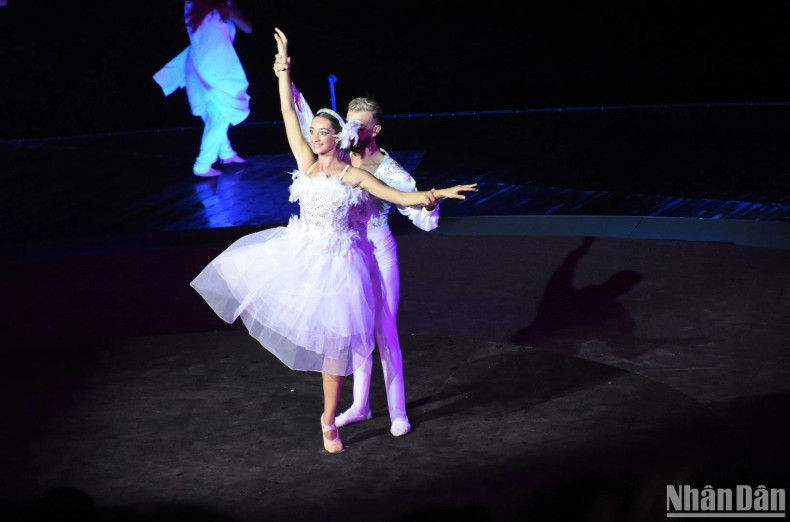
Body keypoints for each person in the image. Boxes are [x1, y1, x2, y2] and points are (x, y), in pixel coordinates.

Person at [189, 27, 476, 454]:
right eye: (315, 131)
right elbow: (289, 112)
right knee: (332, 344)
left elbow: (400, 196)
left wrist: (437, 195)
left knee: (359, 340)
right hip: (305, 255)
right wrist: (282, 70)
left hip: (351, 260)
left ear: (340, 136)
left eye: (324, 131)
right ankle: (343, 413)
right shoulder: (306, 163)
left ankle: (351, 418)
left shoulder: (358, 174)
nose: (316, 136)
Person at [272, 57, 439, 437]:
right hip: (347, 253)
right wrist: (286, 74)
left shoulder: (386, 168)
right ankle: (360, 406)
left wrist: (432, 201)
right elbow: (300, 117)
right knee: (354, 331)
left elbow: (414, 207)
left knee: (384, 332)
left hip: (377, 252)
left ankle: (397, 411)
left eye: (358, 125)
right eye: (347, 122)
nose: (350, 129)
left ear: (375, 129)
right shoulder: (338, 154)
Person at [154, 0, 252, 177]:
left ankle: (226, 153)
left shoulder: (199, 7)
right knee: (222, 112)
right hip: (211, 68)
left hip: (197, 63)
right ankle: (202, 164)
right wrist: (230, 10)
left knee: (213, 113)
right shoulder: (206, 7)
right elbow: (247, 27)